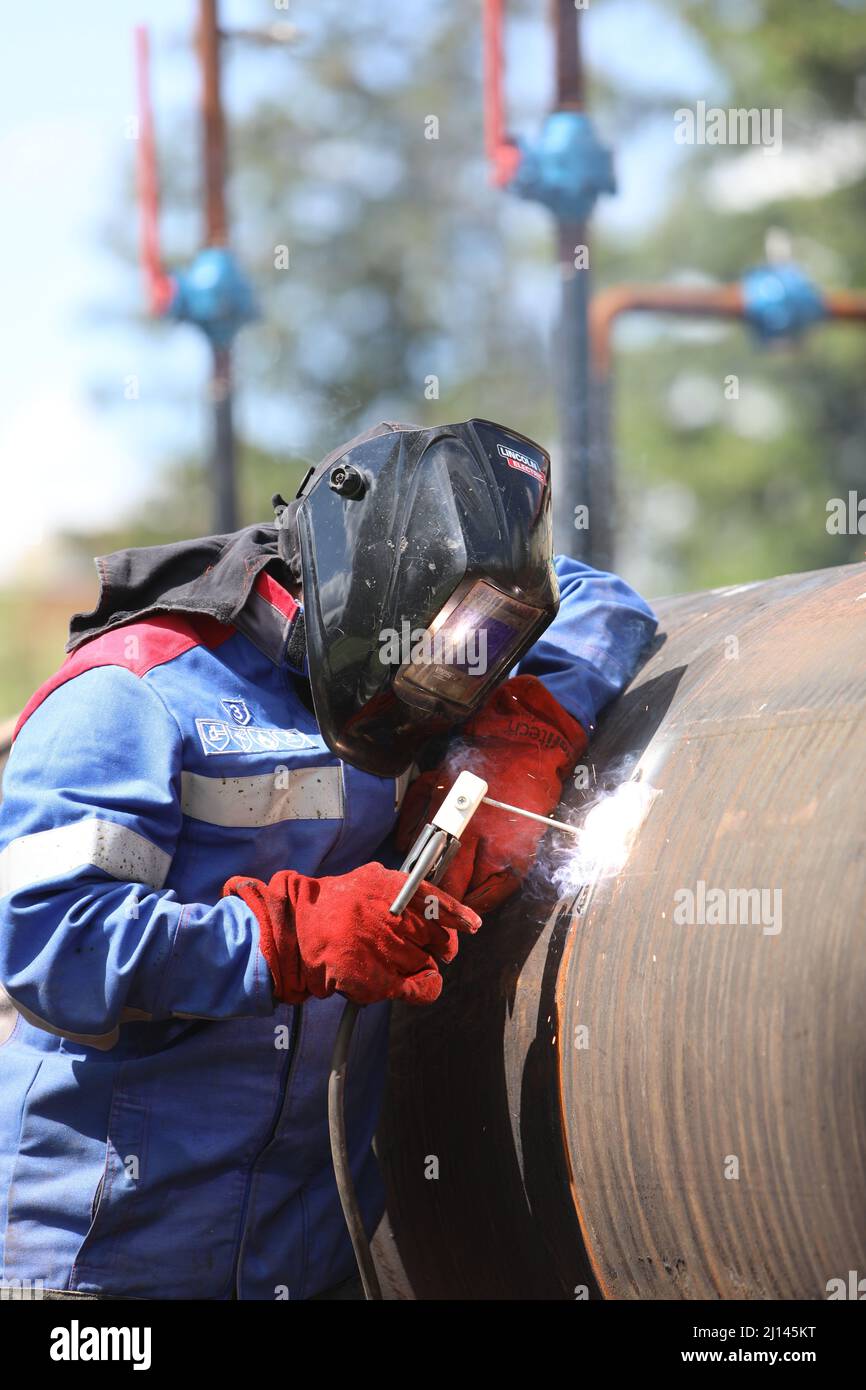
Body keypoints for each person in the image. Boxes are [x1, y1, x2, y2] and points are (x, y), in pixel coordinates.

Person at [0, 419, 656, 1300]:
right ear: (364, 586)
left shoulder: (423, 640)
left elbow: (599, 599)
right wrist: (286, 940)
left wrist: (522, 732)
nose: (441, 686)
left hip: (304, 1255)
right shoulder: (136, 694)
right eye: (432, 652)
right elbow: (47, 946)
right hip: (103, 1255)